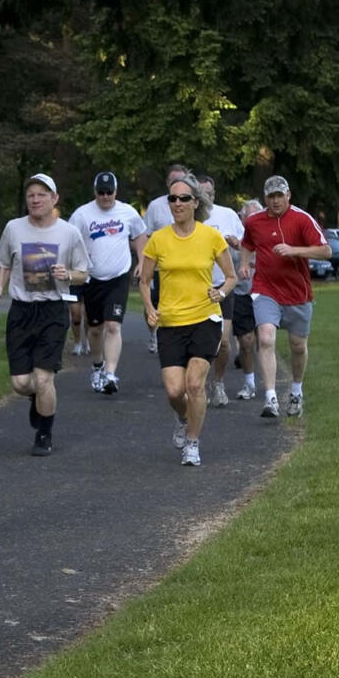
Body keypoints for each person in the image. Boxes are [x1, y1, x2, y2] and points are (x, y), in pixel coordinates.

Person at [138, 172, 236, 466]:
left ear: (196, 203)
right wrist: (149, 309)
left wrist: (220, 292)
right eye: (172, 198)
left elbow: (230, 277)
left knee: (194, 385)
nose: (177, 203)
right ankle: (183, 417)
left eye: (184, 198)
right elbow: (144, 281)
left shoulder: (211, 236)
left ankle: (192, 443)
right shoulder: (158, 239)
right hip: (170, 321)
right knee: (174, 390)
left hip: (205, 318)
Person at [0, 174, 88, 456]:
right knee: (21, 383)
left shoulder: (68, 232)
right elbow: (4, 262)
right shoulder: (14, 228)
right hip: (21, 310)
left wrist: (67, 274)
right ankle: (36, 398)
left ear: (54, 199)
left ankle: (44, 433)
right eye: (31, 194)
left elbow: (83, 273)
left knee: (44, 378)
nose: (35, 199)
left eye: (42, 194)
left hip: (53, 309)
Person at [239, 176, 331, 418]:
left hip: (298, 292)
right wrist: (245, 264)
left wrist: (294, 250)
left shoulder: (302, 219)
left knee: (298, 346)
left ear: (288, 195)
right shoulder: (254, 221)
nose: (276, 200)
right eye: (271, 196)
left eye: (280, 195)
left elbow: (326, 251)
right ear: (265, 198)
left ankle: (296, 391)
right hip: (265, 289)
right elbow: (247, 244)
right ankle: (270, 398)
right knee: (266, 338)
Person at [68, 170, 147, 394]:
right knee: (94, 329)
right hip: (92, 278)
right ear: (95, 192)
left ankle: (110, 374)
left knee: (113, 325)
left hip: (118, 277)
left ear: (116, 191)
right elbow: (70, 241)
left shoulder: (127, 212)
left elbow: (141, 235)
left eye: (109, 192)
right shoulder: (82, 215)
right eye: (101, 193)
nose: (105, 197)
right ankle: (97, 366)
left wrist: (141, 261)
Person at [194, 175, 245, 407]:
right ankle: (197, 384)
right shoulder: (190, 216)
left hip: (224, 285)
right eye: (203, 193)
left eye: (211, 193)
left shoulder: (228, 215)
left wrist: (237, 245)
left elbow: (247, 245)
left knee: (223, 342)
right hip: (196, 288)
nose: (208, 197)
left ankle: (219, 382)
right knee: (197, 341)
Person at [140, 163, 189, 353]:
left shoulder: (191, 204)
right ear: (167, 182)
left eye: (181, 180)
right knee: (151, 303)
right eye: (173, 180)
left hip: (184, 266)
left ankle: (178, 339)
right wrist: (144, 263)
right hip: (159, 267)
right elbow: (145, 236)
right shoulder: (156, 206)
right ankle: (154, 333)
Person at [231, 199, 264, 400]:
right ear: (242, 219)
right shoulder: (234, 238)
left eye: (255, 216)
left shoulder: (265, 235)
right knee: (245, 340)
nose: (251, 220)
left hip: (264, 292)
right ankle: (249, 382)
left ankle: (268, 380)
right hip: (241, 292)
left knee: (265, 339)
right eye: (248, 217)